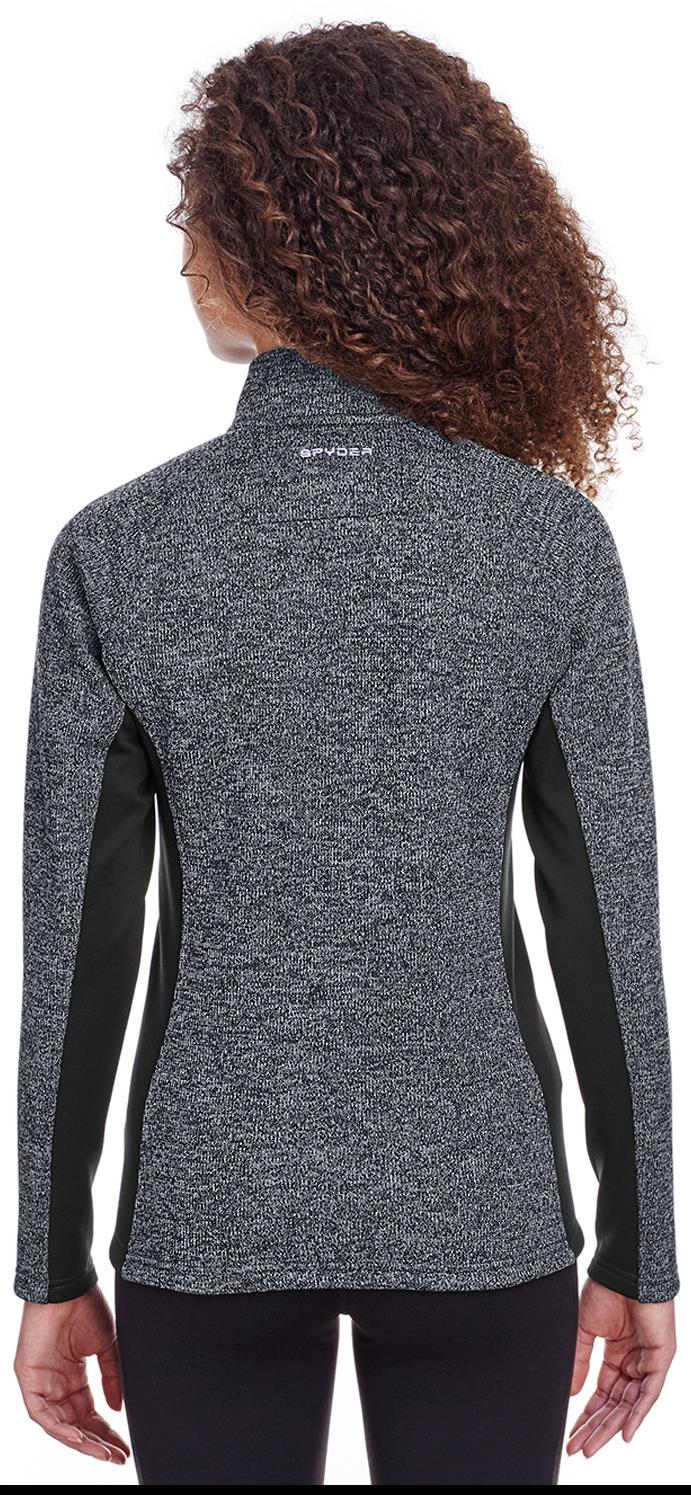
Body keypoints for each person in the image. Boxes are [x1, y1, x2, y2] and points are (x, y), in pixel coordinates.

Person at [12, 19, 679, 1488]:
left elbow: (76, 949)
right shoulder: (549, 544)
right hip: (485, 1212)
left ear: (280, 244)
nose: (182, 254)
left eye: (196, 217)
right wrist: (644, 1249)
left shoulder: (119, 551)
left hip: (206, 1219)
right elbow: (607, 925)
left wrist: (49, 1266)